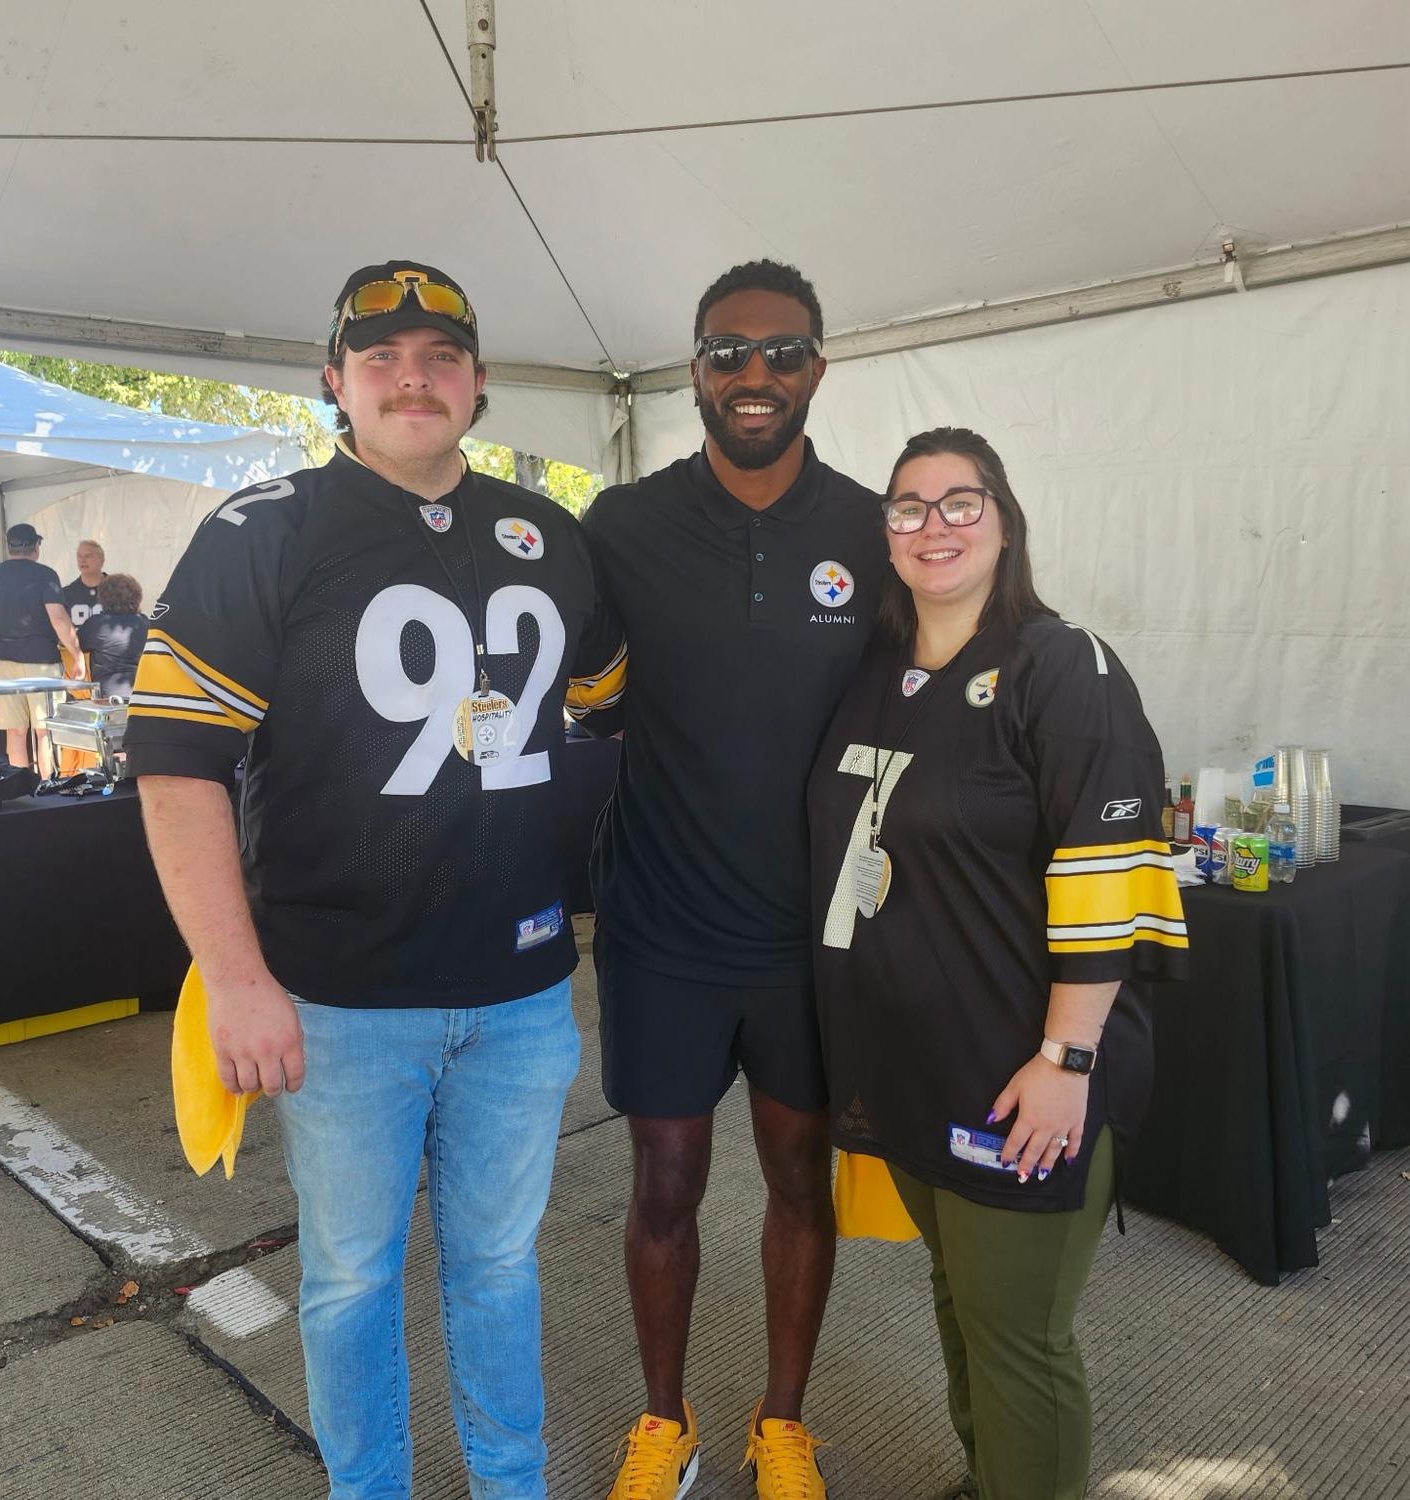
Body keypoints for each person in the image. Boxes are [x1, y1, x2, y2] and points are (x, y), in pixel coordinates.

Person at [124, 259, 625, 1500]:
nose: (415, 376)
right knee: (350, 1275)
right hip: (340, 1001)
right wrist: (233, 977)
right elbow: (177, 765)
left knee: (499, 1268)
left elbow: (611, 714)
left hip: (518, 997)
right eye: (383, 357)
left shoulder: (547, 532)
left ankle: (513, 1486)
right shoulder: (268, 526)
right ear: (333, 381)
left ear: (480, 383)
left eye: (442, 355)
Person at [807, 427, 1188, 1500]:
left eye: (960, 502)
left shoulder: (1064, 667)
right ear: (884, 535)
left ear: (1005, 521)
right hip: (906, 1065)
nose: (935, 526)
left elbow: (1110, 877)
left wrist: (1066, 1060)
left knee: (1019, 1338)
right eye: (909, 507)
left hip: (1019, 1075)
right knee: (957, 1297)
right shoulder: (879, 670)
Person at [580, 260, 885, 1500]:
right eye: (726, 353)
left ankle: (782, 1424)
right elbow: (556, 677)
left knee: (800, 1186)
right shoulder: (622, 524)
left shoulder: (872, 527)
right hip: (660, 928)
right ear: (692, 369)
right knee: (662, 1186)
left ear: (819, 365)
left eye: (781, 352)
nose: (753, 376)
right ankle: (667, 1424)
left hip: (813, 940)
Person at [0, 522, 86, 775]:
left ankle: (19, 788)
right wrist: (78, 656)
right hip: (41, 660)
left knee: (15, 730)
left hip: (2, 661)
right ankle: (48, 785)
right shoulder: (45, 575)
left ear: (9, 546)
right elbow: (59, 619)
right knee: (45, 729)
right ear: (36, 546)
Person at [78, 572, 148, 699]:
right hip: (141, 693)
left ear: (103, 597)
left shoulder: (97, 624)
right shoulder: (144, 623)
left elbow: (74, 645)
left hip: (107, 696)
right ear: (137, 596)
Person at [62, 539, 107, 626]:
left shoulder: (117, 590)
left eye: (88, 556)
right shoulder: (66, 594)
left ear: (101, 560)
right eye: (79, 556)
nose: (83, 560)